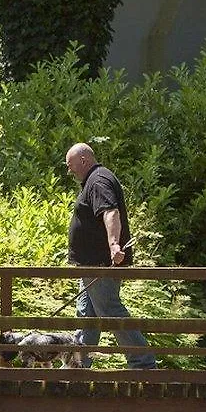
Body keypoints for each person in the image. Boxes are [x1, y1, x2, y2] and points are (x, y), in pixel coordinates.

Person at [65, 143, 155, 369]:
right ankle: (78, 364)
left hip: (100, 264)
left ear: (83, 160)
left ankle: (143, 363)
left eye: (71, 165)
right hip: (91, 265)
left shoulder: (98, 180)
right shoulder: (95, 179)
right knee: (87, 315)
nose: (70, 171)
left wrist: (114, 245)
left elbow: (110, 211)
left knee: (110, 311)